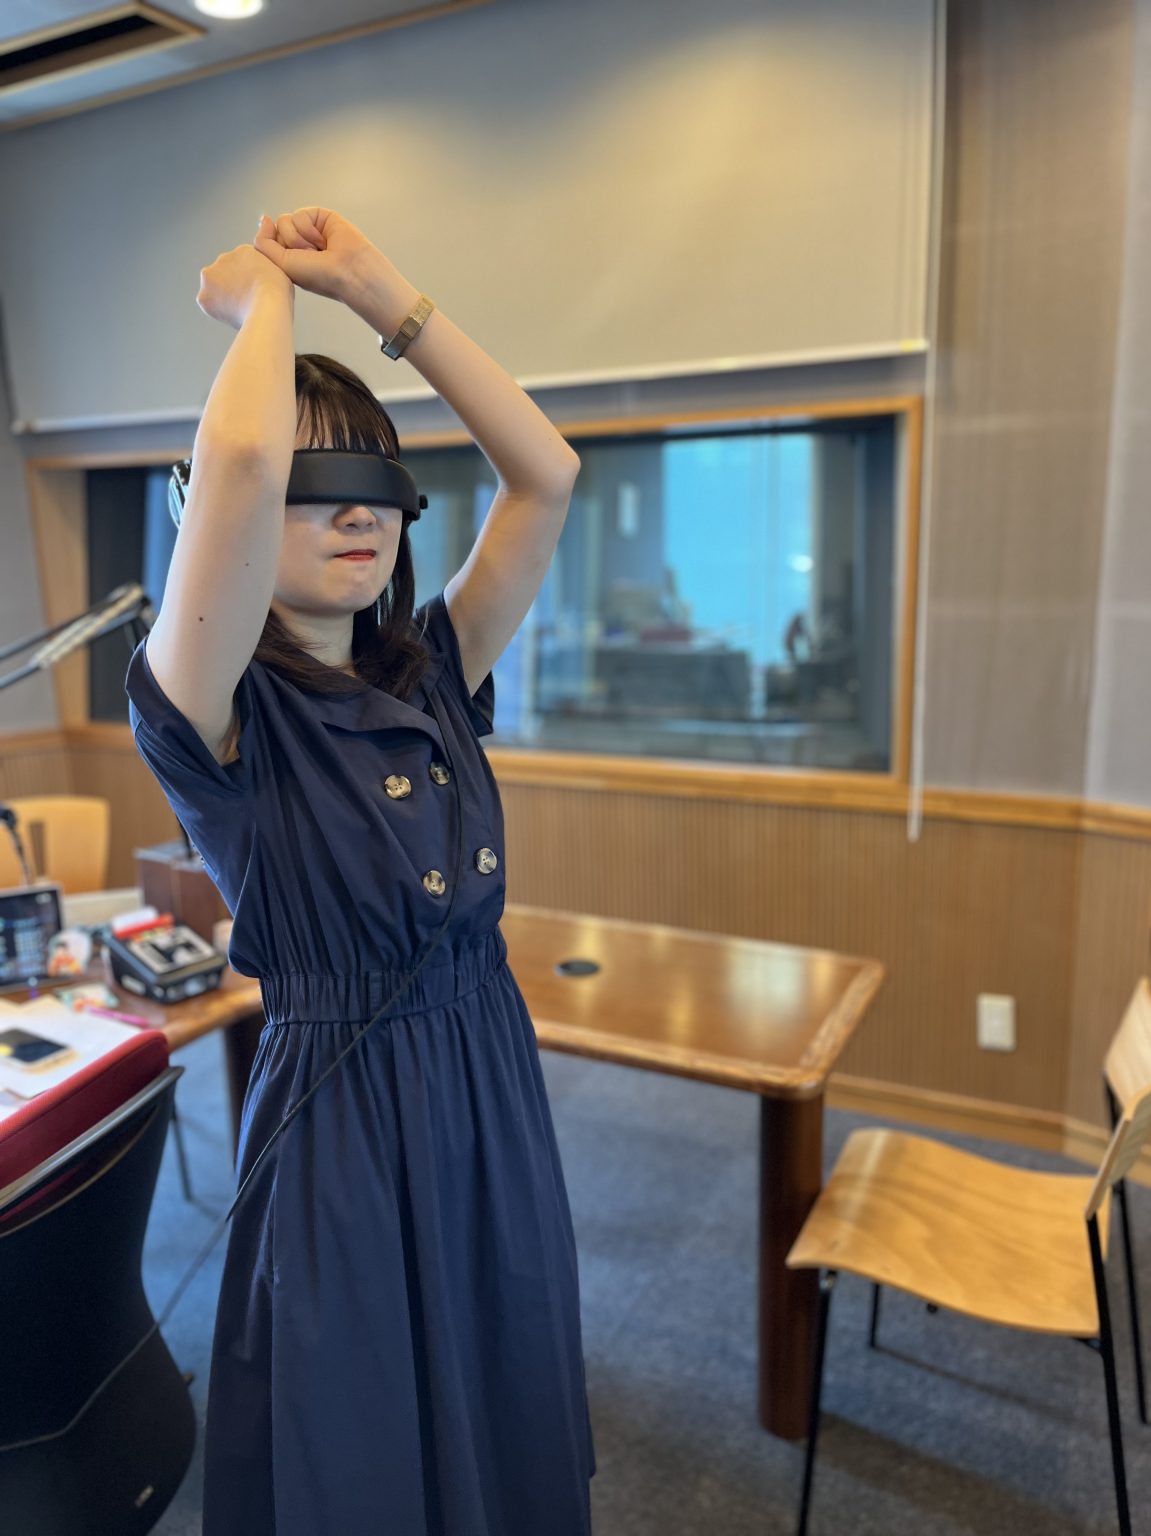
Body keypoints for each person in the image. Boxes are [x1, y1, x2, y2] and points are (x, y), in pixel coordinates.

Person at [124, 206, 596, 1535]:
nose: (357, 513)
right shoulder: (213, 707)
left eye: (379, 486)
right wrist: (262, 302)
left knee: (502, 1390)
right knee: (365, 1447)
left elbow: (547, 474)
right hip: (346, 1115)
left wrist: (378, 289)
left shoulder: (433, 673)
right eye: (313, 482)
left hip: (488, 1079)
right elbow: (237, 457)